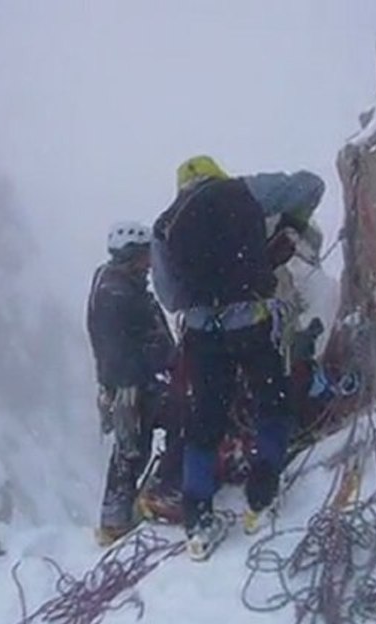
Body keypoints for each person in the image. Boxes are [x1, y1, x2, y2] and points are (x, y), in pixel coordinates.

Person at [153, 155, 325, 559]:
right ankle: (262, 489)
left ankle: (197, 516)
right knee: (272, 398)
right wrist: (288, 231)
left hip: (201, 333)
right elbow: (311, 185)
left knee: (206, 417)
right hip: (251, 319)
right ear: (216, 174)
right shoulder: (243, 191)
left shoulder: (164, 227)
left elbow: (168, 296)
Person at [87, 221, 183, 545]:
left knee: (130, 450)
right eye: (145, 256)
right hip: (134, 385)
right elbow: (130, 345)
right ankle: (162, 492)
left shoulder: (114, 285)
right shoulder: (119, 293)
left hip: (126, 384)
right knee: (172, 425)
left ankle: (116, 518)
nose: (150, 262)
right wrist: (163, 364)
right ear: (132, 255)